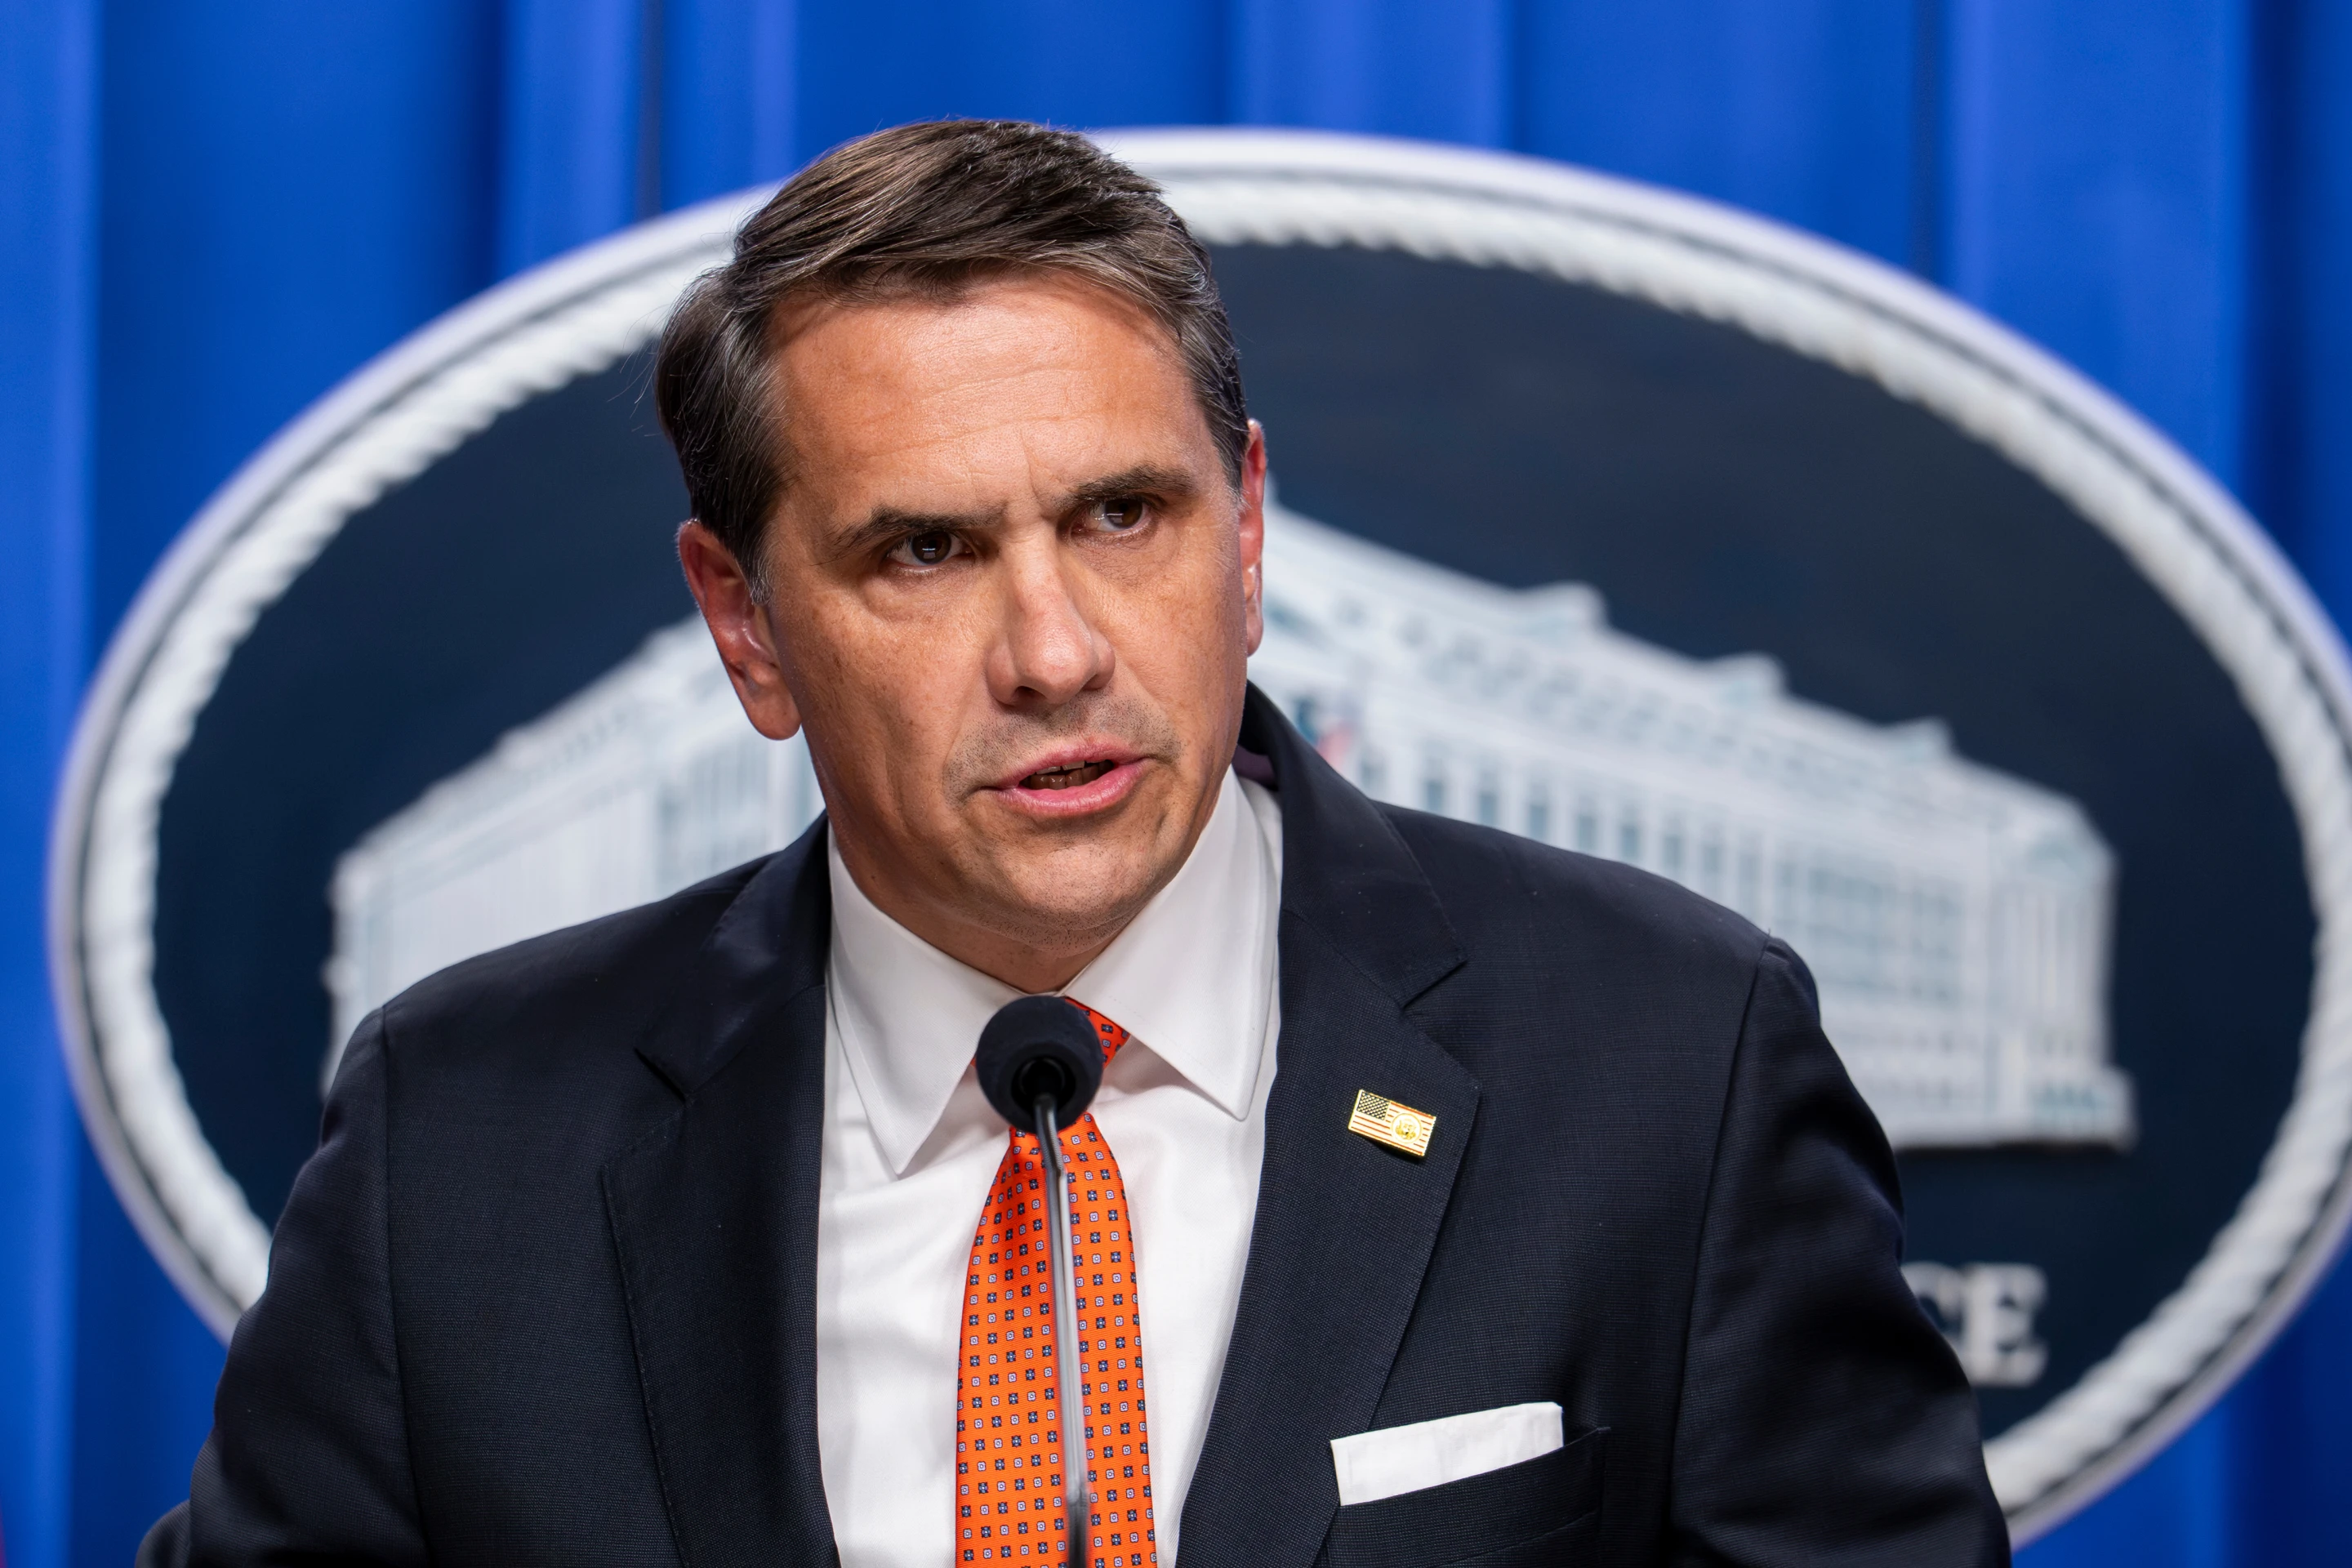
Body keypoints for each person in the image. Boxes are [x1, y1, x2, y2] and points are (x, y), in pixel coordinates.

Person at [141, 119, 2007, 1567]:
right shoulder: (458, 1137)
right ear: (746, 625)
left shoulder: (1667, 1061)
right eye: (926, 552)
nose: (1055, 654)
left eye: (1125, 516)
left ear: (1248, 531)